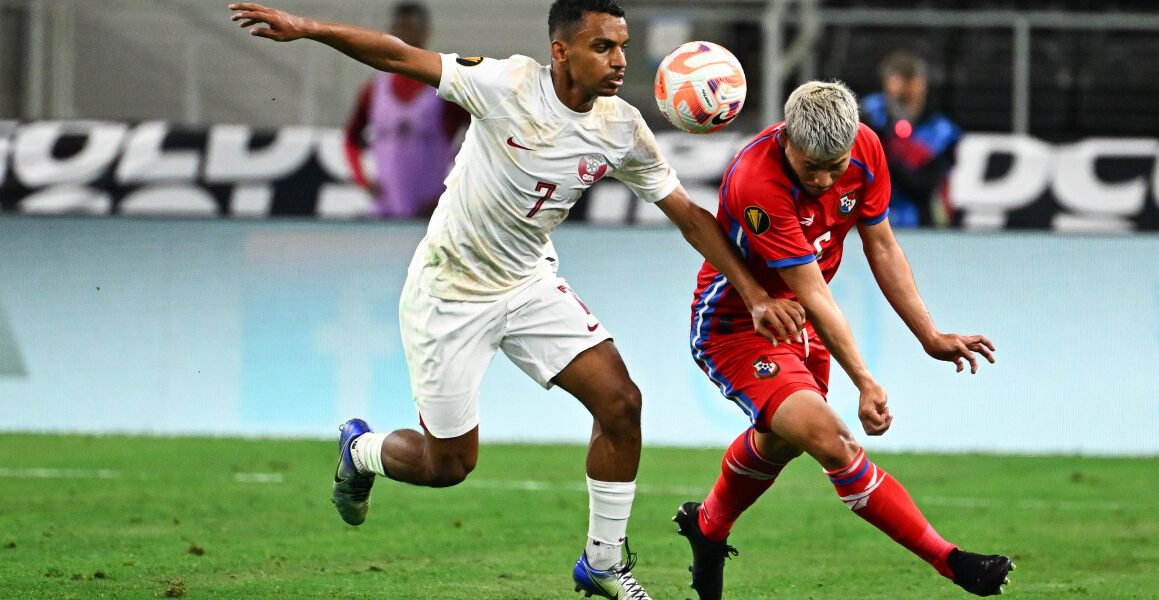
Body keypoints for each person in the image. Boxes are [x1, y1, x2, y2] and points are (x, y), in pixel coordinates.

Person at [229, 2, 806, 599]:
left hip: (528, 283)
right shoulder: (504, 84)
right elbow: (400, 56)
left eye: (623, 46)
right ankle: (361, 448)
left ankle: (603, 562)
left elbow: (688, 216)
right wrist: (309, 28)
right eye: (602, 47)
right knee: (446, 466)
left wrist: (755, 293)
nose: (619, 62)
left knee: (621, 404)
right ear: (561, 51)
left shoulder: (621, 126)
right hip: (448, 290)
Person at [673, 80, 1013, 598]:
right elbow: (812, 290)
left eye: (837, 165)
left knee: (783, 442)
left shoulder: (868, 148)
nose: (827, 178)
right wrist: (865, 380)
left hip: (802, 321)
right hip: (739, 325)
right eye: (813, 168)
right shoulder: (757, 181)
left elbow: (882, 245)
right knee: (834, 440)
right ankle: (954, 562)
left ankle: (709, 526)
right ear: (787, 140)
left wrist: (928, 334)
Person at [343, 2, 470, 219]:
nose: (403, 37)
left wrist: (452, 188)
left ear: (425, 32)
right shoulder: (374, 90)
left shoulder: (445, 90)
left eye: (409, 29)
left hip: (433, 217)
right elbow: (351, 140)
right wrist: (364, 181)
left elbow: (482, 135)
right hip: (385, 215)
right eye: (398, 29)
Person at [861, 50, 961, 228]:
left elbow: (924, 186)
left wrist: (886, 158)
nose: (905, 95)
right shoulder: (868, 114)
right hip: (869, 216)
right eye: (899, 86)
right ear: (886, 85)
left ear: (923, 86)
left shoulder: (941, 131)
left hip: (921, 219)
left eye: (912, 85)